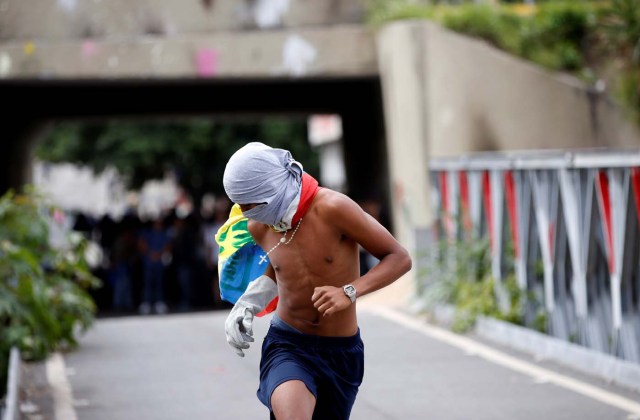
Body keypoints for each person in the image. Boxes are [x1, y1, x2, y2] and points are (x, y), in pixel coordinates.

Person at [222, 142, 412, 419]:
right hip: (287, 344)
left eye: (249, 202)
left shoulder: (333, 208)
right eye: (239, 204)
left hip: (340, 352)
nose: (245, 211)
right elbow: (280, 267)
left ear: (271, 187)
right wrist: (246, 305)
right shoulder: (258, 225)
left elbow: (399, 257)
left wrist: (349, 291)